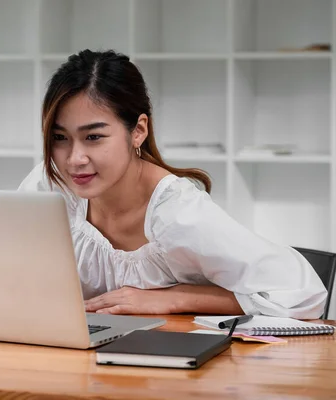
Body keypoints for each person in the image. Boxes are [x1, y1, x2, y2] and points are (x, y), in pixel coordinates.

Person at [18, 49, 327, 319]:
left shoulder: (179, 215)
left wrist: (172, 298)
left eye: (93, 137)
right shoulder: (49, 187)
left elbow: (304, 294)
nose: (74, 159)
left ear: (137, 131)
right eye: (60, 138)